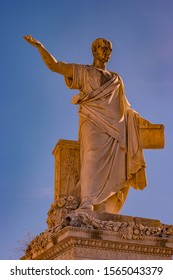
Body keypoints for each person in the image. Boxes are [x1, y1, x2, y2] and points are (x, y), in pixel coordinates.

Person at [23, 35, 147, 213]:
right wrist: (40, 47)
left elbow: (124, 106)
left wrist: (135, 120)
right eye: (103, 48)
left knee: (113, 166)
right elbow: (55, 66)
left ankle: (103, 204)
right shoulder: (83, 72)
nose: (107, 53)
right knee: (91, 156)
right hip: (92, 120)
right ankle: (87, 200)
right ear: (94, 50)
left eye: (110, 50)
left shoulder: (116, 79)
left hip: (115, 127)